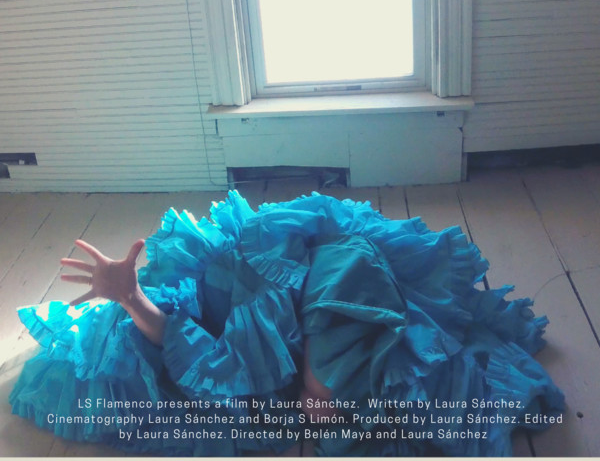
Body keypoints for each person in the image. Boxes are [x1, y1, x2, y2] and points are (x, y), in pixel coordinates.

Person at [10, 191, 564, 456]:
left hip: (288, 302)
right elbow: (201, 354)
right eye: (320, 404)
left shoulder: (370, 356)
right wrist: (131, 298)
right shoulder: (284, 328)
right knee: (125, 358)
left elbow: (200, 357)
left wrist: (133, 299)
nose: (315, 420)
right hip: (246, 288)